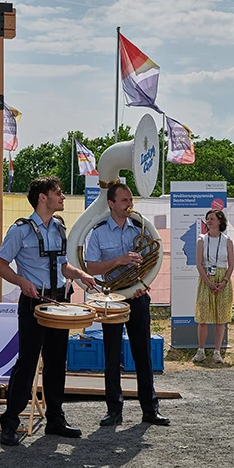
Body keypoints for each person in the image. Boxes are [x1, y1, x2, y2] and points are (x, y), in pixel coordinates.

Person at [0, 176, 97, 446]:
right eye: (58, 193)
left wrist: (81, 275)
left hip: (59, 304)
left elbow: (63, 266)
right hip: (34, 305)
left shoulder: (59, 228)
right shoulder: (20, 230)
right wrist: (21, 281)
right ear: (43, 197)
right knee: (27, 364)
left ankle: (55, 419)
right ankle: (10, 422)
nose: (62, 197)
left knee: (56, 363)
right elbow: (0, 264)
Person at [84, 183, 170, 427]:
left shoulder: (141, 227)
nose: (129, 203)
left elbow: (153, 260)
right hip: (112, 298)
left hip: (137, 297)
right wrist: (118, 261)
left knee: (142, 354)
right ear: (111, 204)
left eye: (130, 199)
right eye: (123, 200)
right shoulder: (99, 232)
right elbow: (91, 267)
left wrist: (145, 282)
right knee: (112, 355)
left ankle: (150, 410)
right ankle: (114, 410)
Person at [193, 209, 234, 364]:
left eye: (212, 219)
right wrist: (209, 282)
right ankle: (201, 350)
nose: (208, 221)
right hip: (206, 279)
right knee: (203, 317)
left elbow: (231, 265)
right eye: (207, 219)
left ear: (219, 221)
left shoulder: (227, 240)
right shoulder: (201, 240)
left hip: (222, 278)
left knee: (220, 318)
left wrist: (223, 282)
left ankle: (217, 351)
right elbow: (198, 264)